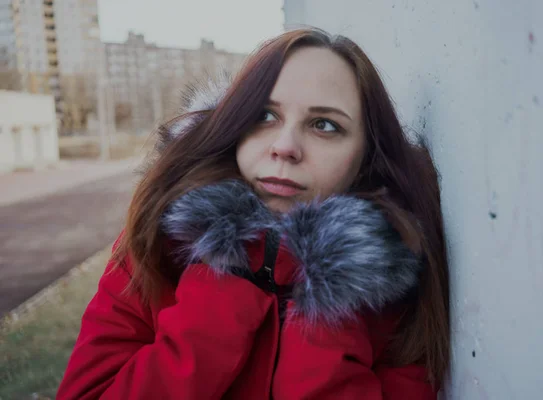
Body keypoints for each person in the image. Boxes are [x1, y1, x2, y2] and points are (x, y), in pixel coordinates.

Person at [57, 27, 449, 399]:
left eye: (325, 125)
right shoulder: (156, 246)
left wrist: (331, 303)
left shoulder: (393, 279)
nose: (285, 146)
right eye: (265, 116)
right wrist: (222, 268)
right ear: (234, 126)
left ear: (366, 158)